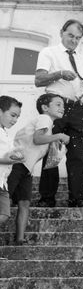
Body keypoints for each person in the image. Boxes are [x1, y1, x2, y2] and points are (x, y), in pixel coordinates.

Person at [35, 19, 83, 208]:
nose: (74, 40)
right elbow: (38, 80)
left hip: (78, 108)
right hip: (56, 105)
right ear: (61, 32)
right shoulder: (49, 52)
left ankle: (77, 198)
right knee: (52, 151)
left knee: (77, 155)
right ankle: (47, 198)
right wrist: (60, 73)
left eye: (78, 38)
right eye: (70, 35)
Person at [8, 94, 69, 244]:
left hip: (26, 169)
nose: (62, 108)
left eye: (63, 105)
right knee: (6, 199)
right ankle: (19, 239)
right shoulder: (44, 119)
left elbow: (38, 145)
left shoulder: (47, 125)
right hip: (16, 165)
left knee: (24, 202)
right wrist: (58, 136)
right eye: (58, 104)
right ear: (45, 108)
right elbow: (37, 139)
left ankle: (20, 239)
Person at [0, 96, 26, 238]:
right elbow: (4, 159)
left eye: (18, 117)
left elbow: (7, 155)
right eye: (12, 115)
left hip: (2, 182)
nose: (15, 120)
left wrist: (17, 155)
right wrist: (8, 160)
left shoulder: (4, 133)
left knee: (4, 214)